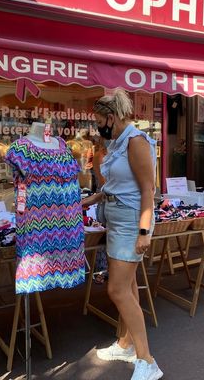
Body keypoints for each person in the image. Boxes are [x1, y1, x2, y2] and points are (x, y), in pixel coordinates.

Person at [82, 90, 162, 380]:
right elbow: (120, 184)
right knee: (128, 287)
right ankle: (127, 345)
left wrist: (144, 231)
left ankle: (147, 360)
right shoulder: (117, 142)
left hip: (131, 223)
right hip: (117, 219)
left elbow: (147, 191)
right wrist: (95, 198)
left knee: (116, 289)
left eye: (99, 120)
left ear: (110, 117)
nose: (97, 125)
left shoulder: (136, 141)